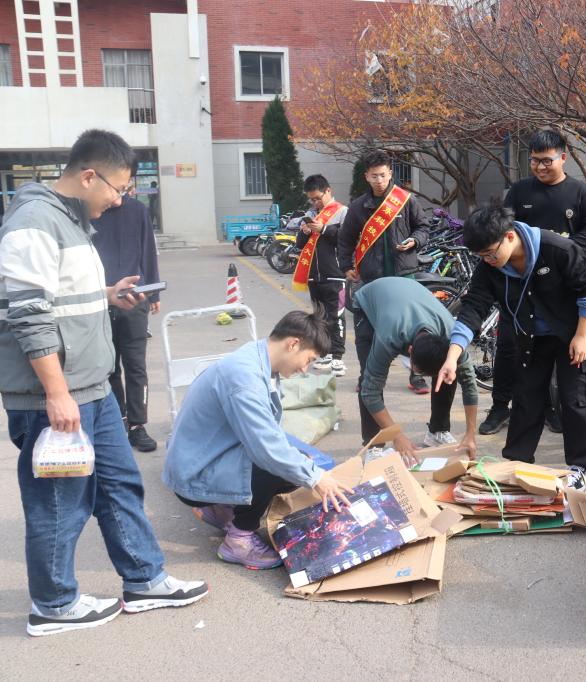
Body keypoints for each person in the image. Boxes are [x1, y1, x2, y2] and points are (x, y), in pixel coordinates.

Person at [0, 129, 207, 637]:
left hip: (92, 387)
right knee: (59, 503)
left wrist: (107, 293)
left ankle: (145, 580)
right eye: (117, 188)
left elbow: (60, 295)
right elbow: (28, 314)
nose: (119, 200)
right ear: (89, 176)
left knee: (119, 487)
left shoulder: (70, 219)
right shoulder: (33, 221)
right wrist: (55, 394)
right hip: (55, 396)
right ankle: (53, 604)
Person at [163, 310, 353, 570]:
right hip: (194, 474)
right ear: (293, 344)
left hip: (200, 459)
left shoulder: (256, 358)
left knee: (296, 461)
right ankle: (238, 540)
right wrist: (317, 477)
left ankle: (220, 509)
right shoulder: (245, 378)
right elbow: (267, 449)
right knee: (281, 469)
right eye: (308, 359)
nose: (304, 369)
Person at [437, 204, 586, 490]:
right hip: (530, 335)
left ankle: (580, 469)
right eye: (481, 256)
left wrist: (582, 335)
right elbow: (473, 309)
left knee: (576, 398)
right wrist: (452, 357)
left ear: (509, 236)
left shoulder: (557, 249)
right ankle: (516, 464)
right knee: (526, 396)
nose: (488, 260)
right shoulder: (489, 268)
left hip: (574, 331)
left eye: (491, 253)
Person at [481, 129, 586, 437]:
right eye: (535, 160)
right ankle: (500, 406)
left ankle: (552, 408)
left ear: (563, 157)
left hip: (560, 285)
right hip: (519, 284)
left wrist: (562, 248)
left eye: (546, 161)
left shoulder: (580, 192)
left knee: (553, 349)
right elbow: (502, 227)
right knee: (508, 345)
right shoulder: (520, 190)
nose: (539, 167)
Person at [351, 277, 479, 462]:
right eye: (418, 372)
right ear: (409, 351)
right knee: (368, 378)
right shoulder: (389, 336)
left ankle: (437, 430)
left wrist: (470, 434)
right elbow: (370, 392)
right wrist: (397, 436)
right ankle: (374, 446)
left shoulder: (452, 338)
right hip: (370, 301)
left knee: (448, 374)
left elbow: (470, 385)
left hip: (409, 297)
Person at [338, 149, 432, 394]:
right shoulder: (358, 206)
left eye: (382, 175)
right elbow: (345, 240)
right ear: (366, 177)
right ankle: (367, 376)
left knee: (413, 328)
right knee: (366, 332)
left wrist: (415, 240)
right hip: (371, 278)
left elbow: (423, 227)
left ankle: (417, 375)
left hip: (404, 275)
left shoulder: (406, 200)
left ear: (390, 173)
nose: (379, 180)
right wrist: (346, 266)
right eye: (374, 176)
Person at [91, 184, 161, 452]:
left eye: (125, 186)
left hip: (134, 300)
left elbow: (148, 249)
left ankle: (137, 425)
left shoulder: (138, 210)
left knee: (135, 366)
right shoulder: (90, 211)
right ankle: (117, 419)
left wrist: (153, 292)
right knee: (108, 367)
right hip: (99, 300)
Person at [294, 174, 349, 377]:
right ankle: (325, 354)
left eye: (318, 198)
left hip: (335, 275)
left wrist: (324, 229)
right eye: (312, 199)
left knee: (337, 317)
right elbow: (300, 245)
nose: (315, 202)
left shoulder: (342, 212)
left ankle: (338, 357)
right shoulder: (311, 214)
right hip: (313, 276)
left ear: (328, 191)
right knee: (320, 318)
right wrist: (305, 232)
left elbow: (348, 238)